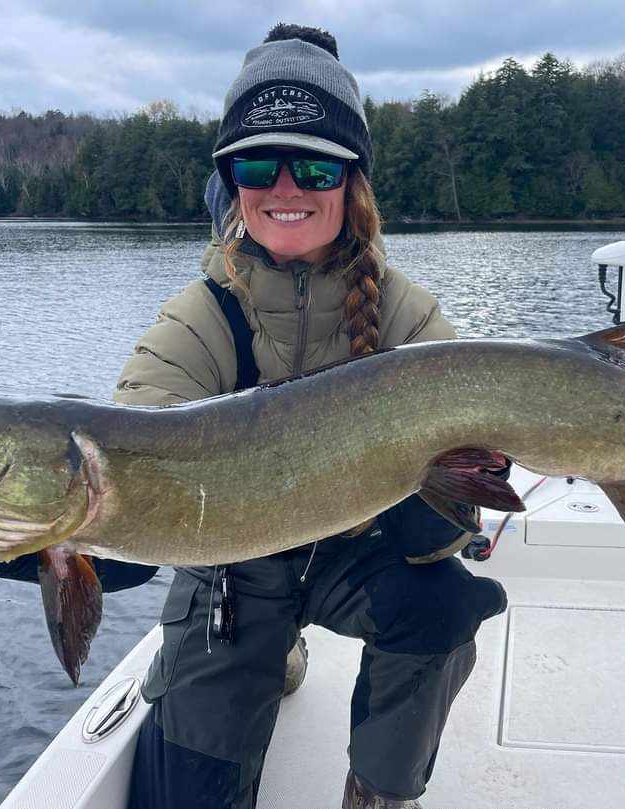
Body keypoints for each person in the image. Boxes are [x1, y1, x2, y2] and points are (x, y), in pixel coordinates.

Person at [116, 24, 509, 809]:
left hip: (352, 552)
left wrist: (446, 492)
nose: (286, 187)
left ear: (351, 183)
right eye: (259, 162)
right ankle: (272, 647)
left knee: (443, 607)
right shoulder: (200, 317)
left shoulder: (406, 316)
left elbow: (460, 506)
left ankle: (377, 792)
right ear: (232, 183)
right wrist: (22, 533)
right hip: (231, 566)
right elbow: (134, 456)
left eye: (317, 164)